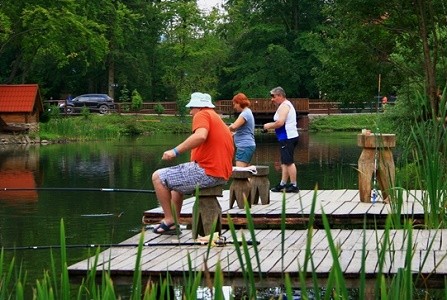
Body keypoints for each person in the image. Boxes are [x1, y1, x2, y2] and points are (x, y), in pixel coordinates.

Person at [151, 92, 234, 234]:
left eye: (192, 108)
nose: (190, 112)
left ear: (199, 106)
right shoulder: (217, 118)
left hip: (208, 171)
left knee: (158, 177)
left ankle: (169, 220)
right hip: (220, 173)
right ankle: (174, 222)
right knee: (175, 184)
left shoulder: (202, 114)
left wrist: (175, 151)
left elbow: (200, 136)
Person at [263, 86, 299, 193]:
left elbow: (280, 123)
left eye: (273, 96)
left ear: (280, 95)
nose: (272, 99)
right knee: (284, 162)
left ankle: (294, 185)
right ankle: (283, 183)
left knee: (289, 162)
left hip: (287, 137)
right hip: (286, 137)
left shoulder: (284, 106)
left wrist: (268, 126)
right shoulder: (284, 105)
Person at [228, 93, 256, 167]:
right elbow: (245, 130)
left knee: (240, 172)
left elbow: (234, 126)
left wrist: (224, 129)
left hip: (244, 146)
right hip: (247, 145)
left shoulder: (245, 114)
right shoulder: (247, 112)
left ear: (239, 103)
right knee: (246, 172)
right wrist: (235, 134)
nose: (234, 107)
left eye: (235, 104)